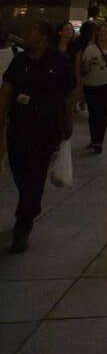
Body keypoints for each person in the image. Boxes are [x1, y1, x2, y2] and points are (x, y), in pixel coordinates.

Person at [0, 20, 75, 252]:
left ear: (43, 37)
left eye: (32, 30)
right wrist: (1, 116)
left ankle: (24, 224)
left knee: (35, 173)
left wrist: (68, 120)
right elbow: (8, 89)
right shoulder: (19, 60)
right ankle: (29, 204)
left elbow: (69, 92)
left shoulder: (59, 61)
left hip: (46, 128)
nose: (27, 34)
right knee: (19, 169)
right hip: (18, 126)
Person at [80, 21, 107, 154]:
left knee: (102, 112)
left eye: (105, 31)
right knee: (93, 113)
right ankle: (94, 138)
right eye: (100, 31)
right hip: (91, 84)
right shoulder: (90, 49)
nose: (103, 34)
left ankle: (99, 141)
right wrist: (87, 65)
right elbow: (84, 68)